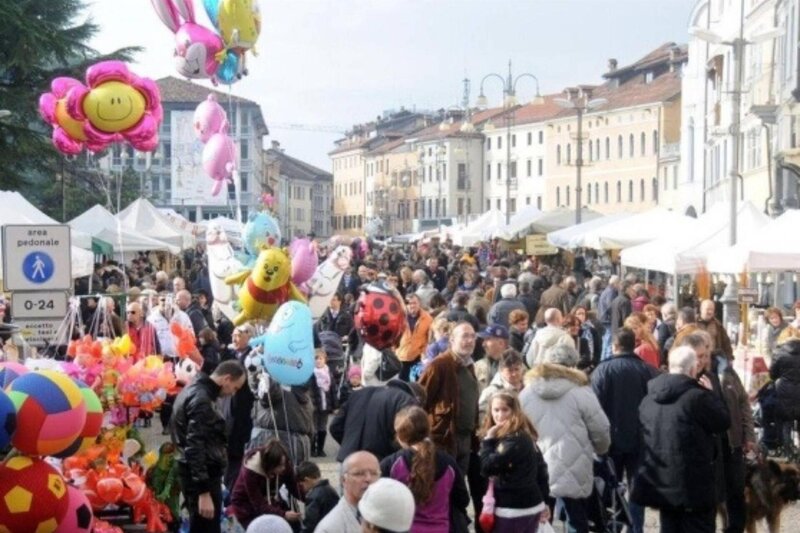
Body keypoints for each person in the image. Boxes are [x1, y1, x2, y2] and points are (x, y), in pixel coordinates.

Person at [631, 346, 731, 533]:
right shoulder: (698, 397)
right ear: (693, 369)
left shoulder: (649, 399)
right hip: (694, 487)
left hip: (663, 485)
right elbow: (723, 421)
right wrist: (712, 394)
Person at [520, 344, 611, 533]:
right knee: (576, 519)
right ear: (572, 365)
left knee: (539, 520)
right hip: (575, 463)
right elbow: (600, 429)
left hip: (536, 466)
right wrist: (601, 449)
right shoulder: (581, 392)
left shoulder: (527, 393)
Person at [680, 331, 754, 533]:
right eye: (700, 354)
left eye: (706, 352)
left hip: (732, 442)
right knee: (712, 497)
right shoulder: (690, 377)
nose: (703, 358)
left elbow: (743, 402)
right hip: (710, 449)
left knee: (736, 492)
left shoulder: (725, 371)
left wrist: (749, 435)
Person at [590, 328, 658, 533]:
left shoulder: (602, 370)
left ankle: (613, 526)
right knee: (637, 489)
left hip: (611, 440)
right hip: (640, 440)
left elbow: (595, 408)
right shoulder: (647, 371)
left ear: (614, 346)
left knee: (611, 489)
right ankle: (635, 528)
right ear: (634, 345)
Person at [170, 360, 247, 533]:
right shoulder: (202, 399)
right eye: (235, 387)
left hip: (196, 474)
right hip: (201, 478)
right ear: (227, 379)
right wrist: (203, 492)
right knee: (205, 527)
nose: (233, 393)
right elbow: (194, 447)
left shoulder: (195, 390)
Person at [381, 406, 470, 532]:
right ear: (428, 429)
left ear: (399, 435)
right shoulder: (448, 463)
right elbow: (462, 499)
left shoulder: (392, 464)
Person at [480, 391, 551, 532]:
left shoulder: (514, 439)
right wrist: (545, 502)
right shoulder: (522, 435)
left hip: (514, 508)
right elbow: (542, 471)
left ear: (514, 411)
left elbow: (487, 467)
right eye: (496, 410)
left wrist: (488, 441)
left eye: (505, 410)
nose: (500, 415)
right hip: (527, 505)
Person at [418, 322, 480, 475]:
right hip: (443, 440)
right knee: (441, 483)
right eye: (465, 336)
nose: (470, 340)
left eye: (473, 336)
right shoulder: (439, 365)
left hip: (465, 439)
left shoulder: (469, 366)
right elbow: (420, 401)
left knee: (458, 485)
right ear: (452, 340)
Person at [329, 379, 423, 462]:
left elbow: (335, 426)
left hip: (348, 458)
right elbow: (408, 434)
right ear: (418, 399)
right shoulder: (407, 400)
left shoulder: (359, 393)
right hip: (379, 461)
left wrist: (348, 443)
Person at [229, 439, 301, 529]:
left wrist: (306, 497)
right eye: (280, 466)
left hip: (270, 500)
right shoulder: (250, 471)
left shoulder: (284, 463)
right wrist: (283, 514)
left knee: (294, 525)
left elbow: (294, 487)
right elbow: (259, 505)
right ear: (270, 465)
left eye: (284, 464)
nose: (283, 468)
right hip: (246, 506)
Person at [220, 324, 256, 490]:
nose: (234, 339)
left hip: (243, 411)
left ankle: (233, 489)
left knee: (237, 453)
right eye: (233, 335)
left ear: (249, 336)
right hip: (226, 409)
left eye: (238, 335)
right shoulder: (229, 354)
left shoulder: (253, 356)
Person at [314, 451, 381, 533]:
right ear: (343, 480)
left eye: (374, 473)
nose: (368, 479)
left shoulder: (387, 516)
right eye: (359, 473)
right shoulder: (330, 528)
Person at [397, 294, 433, 382]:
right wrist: (395, 349)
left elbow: (429, 338)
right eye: (409, 303)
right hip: (401, 355)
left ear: (419, 303)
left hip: (417, 356)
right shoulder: (399, 317)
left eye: (414, 303)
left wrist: (423, 351)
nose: (412, 305)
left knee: (416, 382)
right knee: (401, 382)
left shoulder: (427, 319)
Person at [296, 461, 339, 533]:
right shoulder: (330, 489)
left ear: (307, 480)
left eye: (301, 485)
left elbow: (310, 524)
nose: (302, 489)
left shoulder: (314, 497)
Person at [310, 349, 333, 457]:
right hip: (315, 406)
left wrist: (335, 405)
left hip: (325, 406)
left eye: (320, 358)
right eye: (316, 358)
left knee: (322, 428)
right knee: (313, 428)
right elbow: (310, 391)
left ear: (325, 360)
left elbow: (333, 390)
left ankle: (320, 449)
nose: (318, 361)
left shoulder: (328, 373)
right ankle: (312, 449)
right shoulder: (311, 374)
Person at [475, 324, 509, 392]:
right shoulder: (478, 366)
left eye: (487, 339)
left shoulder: (517, 366)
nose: (483, 344)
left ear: (501, 343)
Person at [597, 276, 620, 360]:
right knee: (610, 342)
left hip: (603, 318)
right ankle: (607, 359)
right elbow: (611, 306)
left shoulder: (607, 290)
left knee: (606, 341)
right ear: (616, 283)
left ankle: (603, 359)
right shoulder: (611, 292)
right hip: (608, 319)